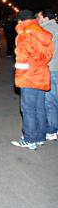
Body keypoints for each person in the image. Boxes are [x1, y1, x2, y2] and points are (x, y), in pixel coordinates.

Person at [11, 10, 53, 150]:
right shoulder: (42, 32)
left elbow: (22, 58)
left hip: (28, 76)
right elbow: (48, 55)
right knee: (39, 107)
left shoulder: (25, 34)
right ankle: (40, 136)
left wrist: (19, 74)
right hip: (41, 75)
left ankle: (30, 139)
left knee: (28, 109)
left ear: (21, 21)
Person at [36, 9, 58, 141]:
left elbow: (41, 53)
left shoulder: (45, 31)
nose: (37, 19)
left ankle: (52, 129)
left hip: (50, 69)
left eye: (39, 17)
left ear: (45, 18)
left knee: (50, 101)